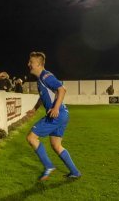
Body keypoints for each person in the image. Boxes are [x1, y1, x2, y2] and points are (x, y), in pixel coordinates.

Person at [26, 51, 81, 181]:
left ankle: (48, 166)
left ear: (39, 64)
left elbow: (62, 89)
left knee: (31, 138)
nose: (28, 64)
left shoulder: (46, 76)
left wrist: (55, 108)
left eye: (31, 62)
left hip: (57, 114)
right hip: (62, 114)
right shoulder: (41, 79)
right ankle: (75, 172)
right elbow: (43, 96)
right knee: (56, 145)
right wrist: (34, 109)